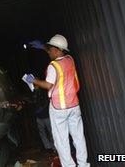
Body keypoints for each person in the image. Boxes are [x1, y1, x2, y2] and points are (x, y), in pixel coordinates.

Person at [25, 34, 90, 167]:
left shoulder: (53, 66)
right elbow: (56, 51)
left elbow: (48, 85)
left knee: (61, 140)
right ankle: (83, 164)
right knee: (79, 137)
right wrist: (43, 47)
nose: (49, 53)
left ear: (56, 50)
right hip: (74, 105)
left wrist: (34, 80)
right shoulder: (70, 59)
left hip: (59, 108)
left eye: (50, 50)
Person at [33, 89, 56, 153]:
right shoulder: (34, 93)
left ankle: (54, 147)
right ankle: (48, 147)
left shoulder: (44, 91)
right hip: (38, 116)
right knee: (42, 132)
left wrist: (41, 108)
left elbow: (47, 102)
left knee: (51, 132)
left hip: (46, 116)